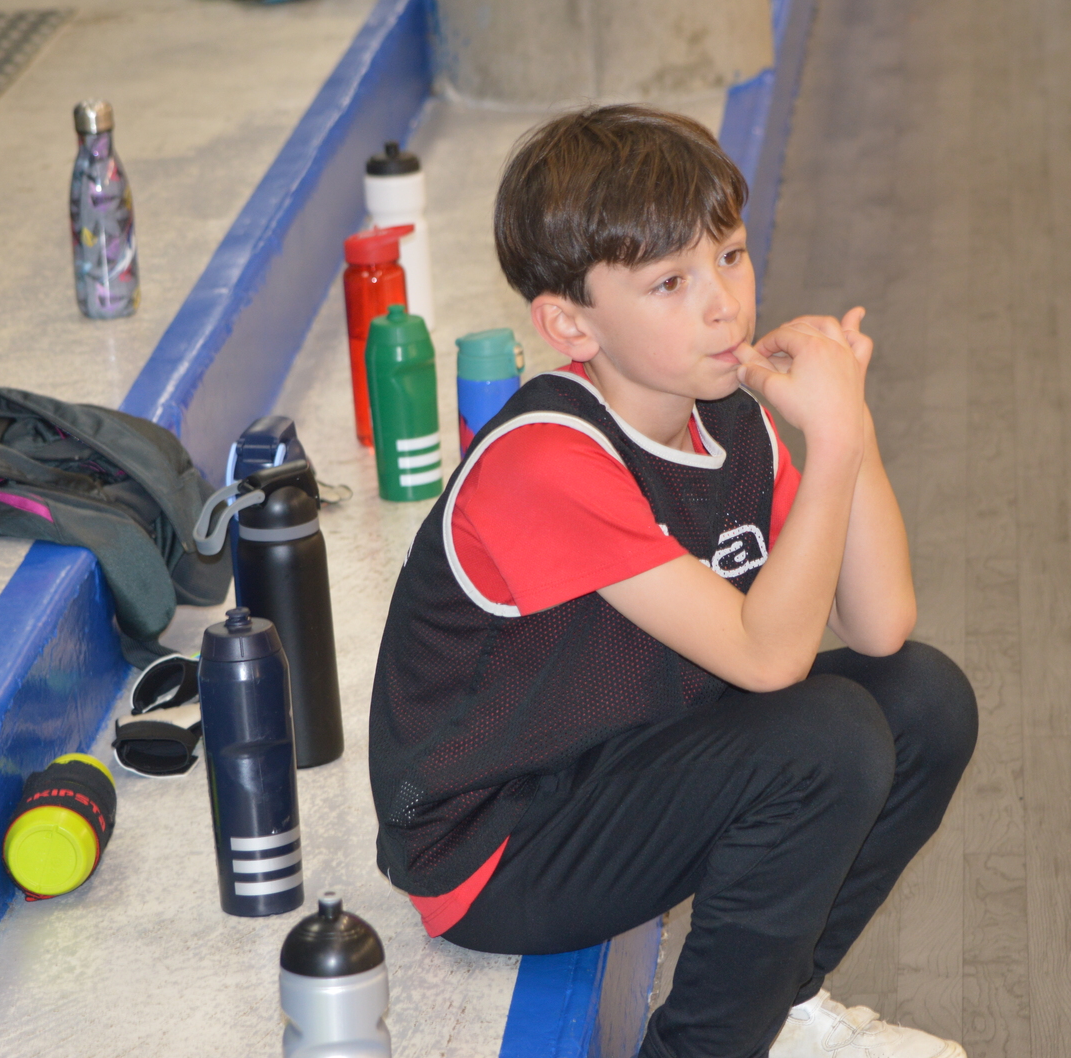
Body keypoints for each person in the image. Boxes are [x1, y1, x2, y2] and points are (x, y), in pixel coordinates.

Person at [369, 105, 979, 1058]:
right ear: (570, 325)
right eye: (670, 282)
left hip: (619, 759)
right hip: (498, 845)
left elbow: (881, 623)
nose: (724, 304)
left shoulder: (725, 415)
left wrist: (846, 428)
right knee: (825, 736)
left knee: (925, 699)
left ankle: (777, 1010)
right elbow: (769, 659)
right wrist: (834, 444)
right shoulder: (544, 459)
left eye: (730, 256)